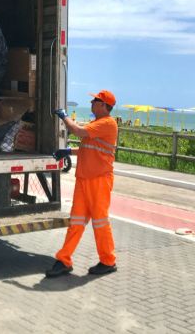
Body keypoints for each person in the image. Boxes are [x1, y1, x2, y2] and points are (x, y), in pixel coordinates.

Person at [47, 89, 118, 277]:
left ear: (103, 105)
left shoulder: (107, 123)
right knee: (76, 222)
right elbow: (88, 148)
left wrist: (64, 116)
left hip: (99, 180)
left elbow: (78, 131)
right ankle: (64, 260)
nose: (92, 103)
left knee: (100, 222)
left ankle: (108, 261)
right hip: (85, 179)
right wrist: (68, 151)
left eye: (95, 100)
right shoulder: (98, 124)